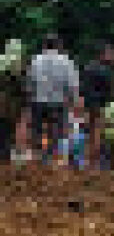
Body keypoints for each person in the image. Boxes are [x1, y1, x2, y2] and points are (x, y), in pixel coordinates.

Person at [26, 35, 79, 163]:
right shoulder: (66, 61)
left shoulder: (35, 60)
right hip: (59, 101)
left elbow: (30, 82)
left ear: (45, 45)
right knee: (56, 128)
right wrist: (72, 99)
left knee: (38, 127)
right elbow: (72, 84)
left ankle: (40, 151)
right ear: (58, 46)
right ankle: (50, 152)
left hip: (39, 101)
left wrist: (29, 99)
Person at [80, 44, 114, 168]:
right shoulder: (106, 71)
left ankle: (89, 161)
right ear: (102, 55)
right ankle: (98, 161)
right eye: (111, 54)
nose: (113, 56)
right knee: (100, 133)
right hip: (102, 105)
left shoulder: (88, 67)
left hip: (90, 104)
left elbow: (83, 88)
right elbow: (111, 90)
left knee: (91, 133)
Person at [0, 39, 27, 162]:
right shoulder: (20, 65)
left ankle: (3, 152)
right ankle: (5, 153)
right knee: (9, 127)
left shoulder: (1, 60)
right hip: (12, 102)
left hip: (4, 99)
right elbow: (22, 86)